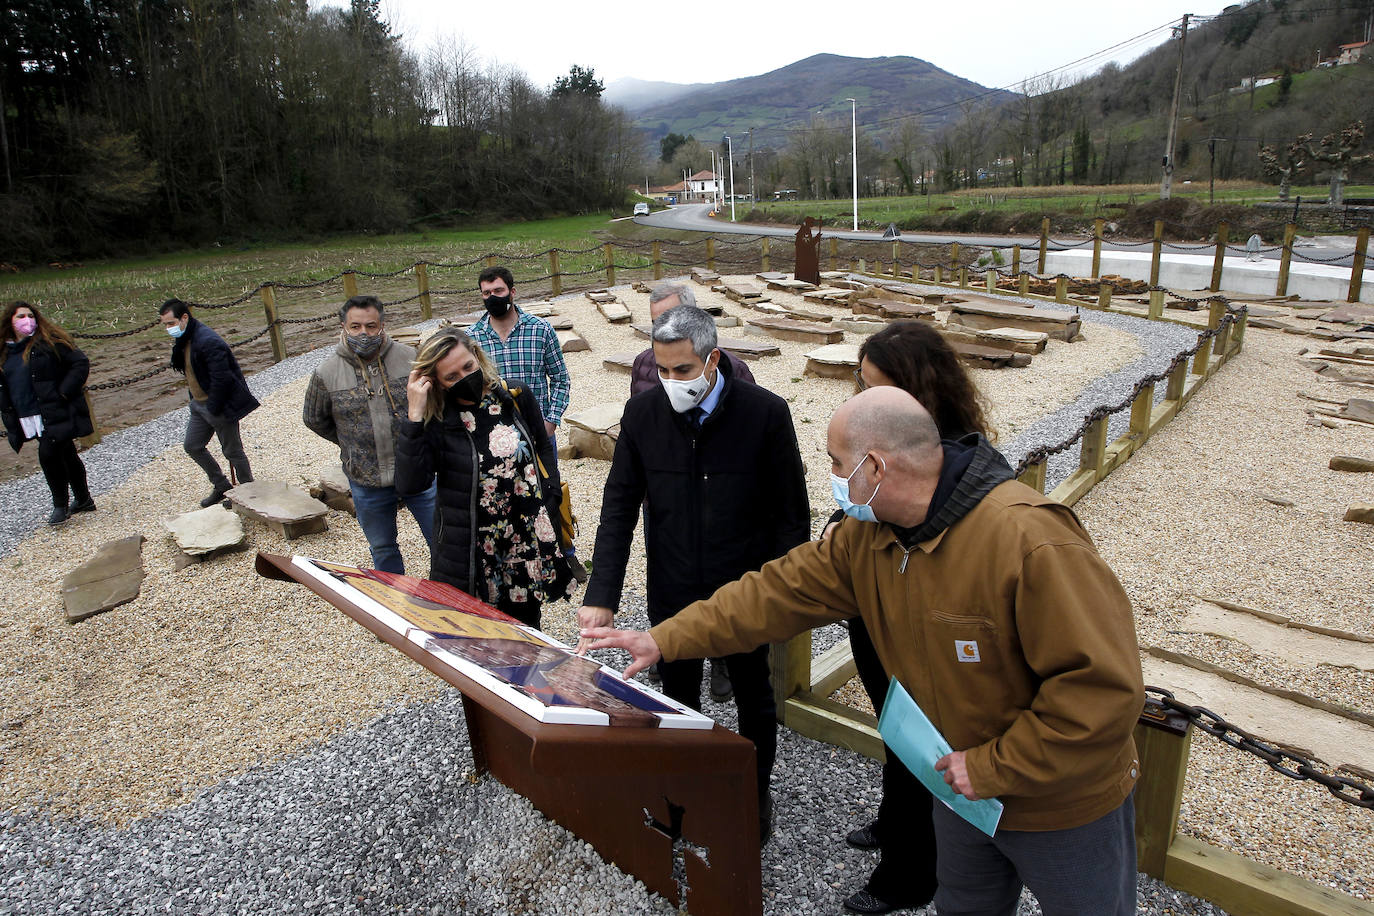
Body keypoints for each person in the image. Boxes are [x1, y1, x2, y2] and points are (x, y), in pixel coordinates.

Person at [585, 387, 1145, 916]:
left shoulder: (1032, 544)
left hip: (1061, 806)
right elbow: (772, 594)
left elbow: (1102, 692)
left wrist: (996, 765)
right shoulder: (870, 536)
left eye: (835, 463)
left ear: (874, 468)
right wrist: (664, 638)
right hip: (961, 790)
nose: (830, 477)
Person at [577, 304, 810, 843]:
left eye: (683, 370)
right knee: (675, 696)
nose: (671, 381)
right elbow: (619, 506)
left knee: (754, 692)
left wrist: (785, 592)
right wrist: (602, 591)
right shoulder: (642, 416)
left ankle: (753, 796)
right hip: (675, 585)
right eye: (661, 370)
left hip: (744, 587)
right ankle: (677, 796)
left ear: (713, 361)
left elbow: (790, 513)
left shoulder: (765, 413)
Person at [831, 320, 995, 915]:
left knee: (922, 738)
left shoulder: (943, 464)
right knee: (894, 728)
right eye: (859, 382)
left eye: (872, 385)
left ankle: (908, 874)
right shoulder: (880, 443)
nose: (860, 396)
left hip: (919, 616)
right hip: (877, 602)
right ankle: (895, 822)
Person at [395, 328, 573, 628]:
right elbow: (410, 484)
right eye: (451, 376)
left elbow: (541, 443)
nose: (464, 377)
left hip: (524, 536)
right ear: (435, 381)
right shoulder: (437, 421)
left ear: (477, 356)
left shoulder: (514, 396)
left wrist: (551, 492)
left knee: (526, 626)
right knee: (478, 631)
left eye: (468, 367)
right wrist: (414, 414)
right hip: (477, 545)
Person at [628, 280, 754, 700]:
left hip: (715, 500)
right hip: (662, 501)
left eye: (680, 370)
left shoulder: (738, 373)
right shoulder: (644, 365)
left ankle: (721, 661)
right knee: (665, 579)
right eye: (653, 324)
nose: (669, 378)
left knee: (720, 583)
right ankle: (669, 651)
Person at [303, 295, 436, 575]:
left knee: (441, 541)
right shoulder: (326, 373)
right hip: (366, 481)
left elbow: (434, 404)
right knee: (383, 549)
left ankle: (450, 598)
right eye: (355, 327)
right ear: (343, 326)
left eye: (371, 326)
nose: (363, 333)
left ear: (382, 325)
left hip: (417, 471)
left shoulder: (411, 359)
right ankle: (395, 605)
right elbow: (314, 418)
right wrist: (351, 442)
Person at [465, 266, 583, 580]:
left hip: (538, 433)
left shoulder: (540, 330)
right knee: (505, 499)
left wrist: (551, 421)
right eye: (487, 293)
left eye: (498, 291)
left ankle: (565, 555)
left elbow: (560, 380)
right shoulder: (472, 338)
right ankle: (519, 562)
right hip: (495, 440)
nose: (493, 298)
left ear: (512, 292)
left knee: (549, 494)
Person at [0, 301, 96, 525]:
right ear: (10, 321)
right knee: (67, 453)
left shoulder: (48, 343)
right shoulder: (5, 352)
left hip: (54, 410)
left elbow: (79, 363)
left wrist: (63, 392)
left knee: (49, 455)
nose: (27, 320)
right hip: (28, 412)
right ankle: (83, 499)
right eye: (20, 316)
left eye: (30, 315)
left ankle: (59, 505)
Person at [159, 299, 258, 507]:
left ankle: (249, 491)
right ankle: (222, 485)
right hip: (199, 404)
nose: (169, 328)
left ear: (184, 317)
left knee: (232, 450)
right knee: (193, 446)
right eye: (166, 325)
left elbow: (222, 378)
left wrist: (214, 407)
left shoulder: (207, 340)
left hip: (218, 405)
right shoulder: (185, 338)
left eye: (171, 323)